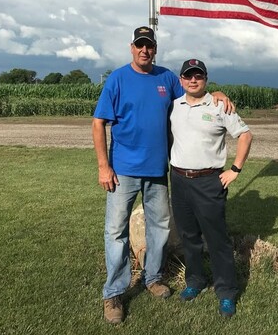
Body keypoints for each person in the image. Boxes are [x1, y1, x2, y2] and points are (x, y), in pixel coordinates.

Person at [92, 27, 233, 324]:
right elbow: (98, 123)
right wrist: (104, 166)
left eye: (150, 46)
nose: (145, 50)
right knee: (116, 231)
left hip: (157, 170)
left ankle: (153, 278)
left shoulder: (166, 77)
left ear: (155, 49)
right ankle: (114, 292)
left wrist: (216, 92)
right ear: (132, 47)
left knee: (160, 228)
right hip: (123, 172)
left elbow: (194, 94)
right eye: (140, 45)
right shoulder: (117, 78)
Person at [169, 58, 253, 318]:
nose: (193, 80)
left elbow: (245, 135)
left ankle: (226, 291)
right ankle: (195, 281)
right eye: (188, 76)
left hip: (209, 181)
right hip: (179, 179)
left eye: (199, 76)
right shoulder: (174, 106)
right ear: (181, 80)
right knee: (189, 236)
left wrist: (235, 169)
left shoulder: (219, 105)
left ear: (205, 79)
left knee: (217, 239)